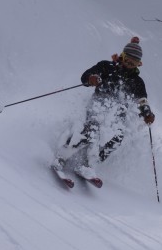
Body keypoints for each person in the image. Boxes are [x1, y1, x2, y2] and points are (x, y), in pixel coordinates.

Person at [53, 36, 155, 178]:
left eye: (134, 62)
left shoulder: (137, 82)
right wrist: (91, 79)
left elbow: (142, 100)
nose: (130, 64)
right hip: (99, 105)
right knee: (92, 130)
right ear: (122, 56)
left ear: (139, 64)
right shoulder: (107, 67)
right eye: (127, 59)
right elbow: (85, 76)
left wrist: (147, 113)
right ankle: (62, 157)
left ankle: (87, 165)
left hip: (117, 114)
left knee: (117, 138)